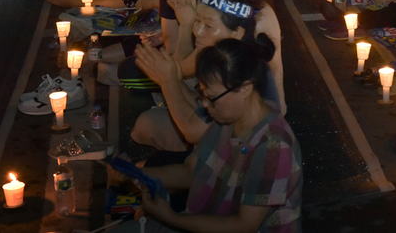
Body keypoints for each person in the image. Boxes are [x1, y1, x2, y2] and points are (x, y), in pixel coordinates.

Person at [121, 39, 302, 233]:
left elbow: (244, 226)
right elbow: (192, 171)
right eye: (203, 94)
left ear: (245, 88)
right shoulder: (227, 119)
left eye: (211, 97)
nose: (205, 105)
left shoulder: (273, 146)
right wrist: (133, 174)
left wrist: (170, 217)